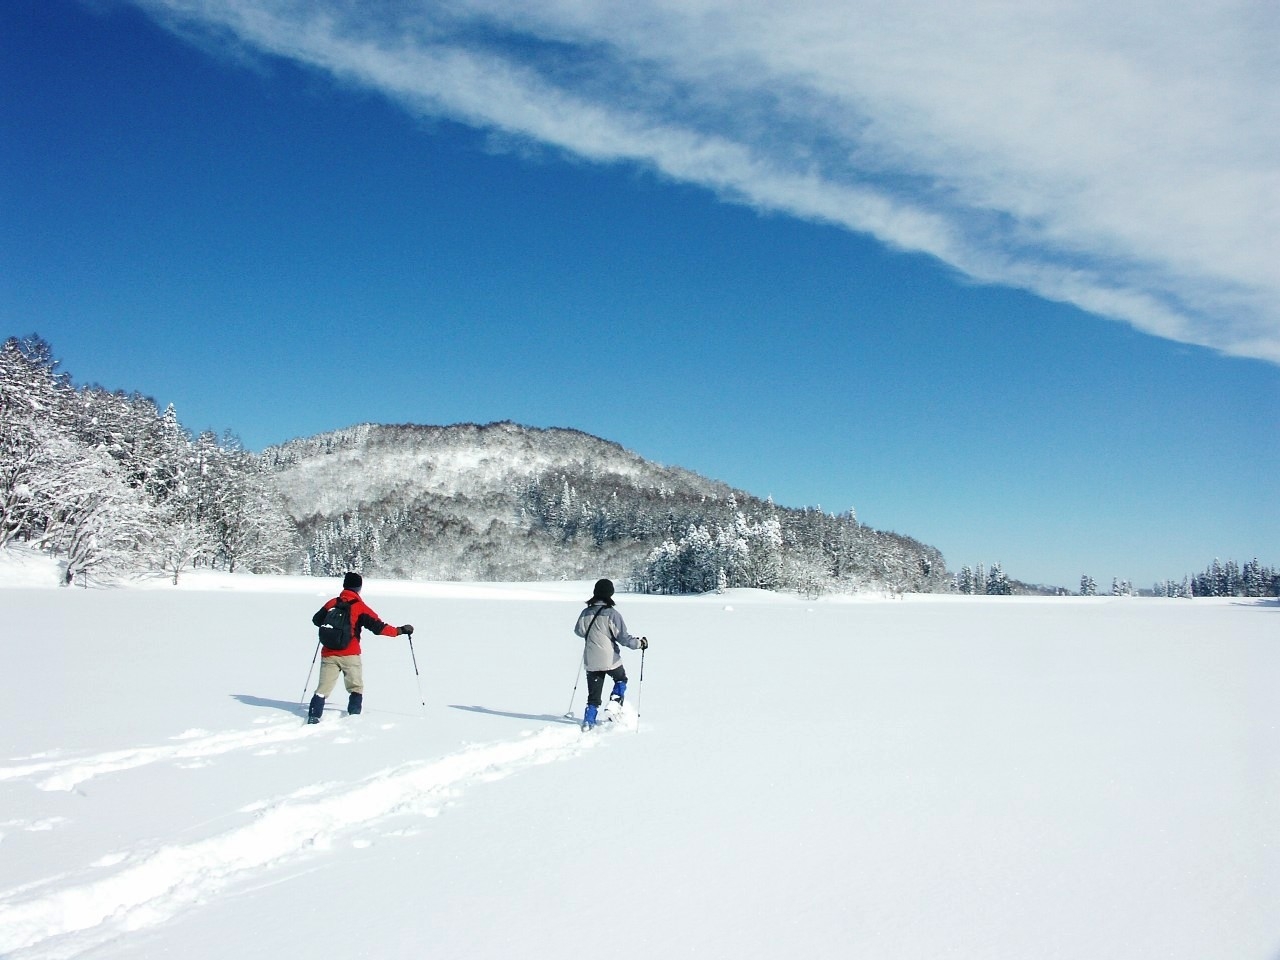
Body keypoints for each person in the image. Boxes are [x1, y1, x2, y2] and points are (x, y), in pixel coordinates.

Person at [308, 572, 413, 723]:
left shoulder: (332, 603)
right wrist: (400, 631)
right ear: (359, 588)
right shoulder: (360, 607)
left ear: (344, 586)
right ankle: (354, 718)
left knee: (322, 689)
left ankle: (313, 716)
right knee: (356, 687)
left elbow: (316, 620)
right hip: (350, 654)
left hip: (328, 653)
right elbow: (379, 628)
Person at [574, 578, 647, 730]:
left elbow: (579, 631)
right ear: (610, 594)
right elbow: (623, 637)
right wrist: (639, 643)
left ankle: (588, 722)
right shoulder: (612, 614)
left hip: (591, 659)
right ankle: (613, 704)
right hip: (610, 658)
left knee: (593, 696)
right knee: (621, 679)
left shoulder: (585, 613)